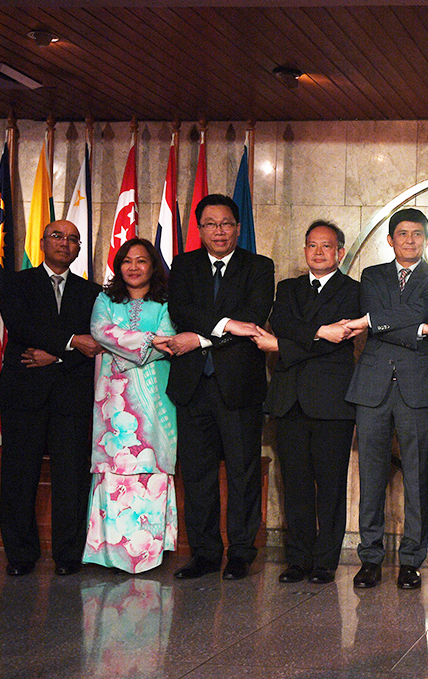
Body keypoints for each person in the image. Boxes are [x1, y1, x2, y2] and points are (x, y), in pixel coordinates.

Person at [164, 194, 275, 581]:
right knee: (197, 474)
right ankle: (205, 553)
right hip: (193, 386)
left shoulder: (259, 266)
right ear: (199, 229)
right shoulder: (183, 265)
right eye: (210, 224)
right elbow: (181, 311)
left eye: (226, 223)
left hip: (239, 387)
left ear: (238, 227)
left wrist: (201, 338)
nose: (219, 231)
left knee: (244, 472)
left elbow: (254, 317)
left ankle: (241, 552)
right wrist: (224, 328)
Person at [345, 208, 428, 590]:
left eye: (417, 234)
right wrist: (419, 328)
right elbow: (391, 315)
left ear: (426, 239)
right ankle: (370, 558)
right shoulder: (372, 275)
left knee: (417, 476)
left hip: (418, 387)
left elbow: (418, 311)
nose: (410, 240)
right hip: (372, 387)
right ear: (390, 240)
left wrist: (376, 323)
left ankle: (411, 560)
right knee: (370, 477)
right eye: (402, 234)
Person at [255, 221, 361, 585]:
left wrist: (283, 346)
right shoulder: (287, 288)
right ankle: (297, 559)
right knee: (295, 484)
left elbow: (339, 337)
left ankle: (325, 561)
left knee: (330, 486)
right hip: (289, 401)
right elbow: (282, 323)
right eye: (312, 246)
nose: (318, 252)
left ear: (340, 252)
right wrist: (320, 331)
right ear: (305, 250)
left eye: (327, 246)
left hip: (333, 403)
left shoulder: (354, 292)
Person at [0, 219, 103, 576]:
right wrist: (70, 342)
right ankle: (21, 554)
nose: (65, 243)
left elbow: (97, 341)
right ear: (42, 242)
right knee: (18, 475)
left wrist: (56, 354)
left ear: (78, 249)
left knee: (72, 478)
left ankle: (68, 554)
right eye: (57, 236)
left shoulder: (92, 293)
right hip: (23, 393)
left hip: (71, 395)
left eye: (73, 239)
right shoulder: (14, 282)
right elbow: (21, 327)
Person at [83, 238, 179, 573]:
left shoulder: (167, 302)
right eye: (127, 261)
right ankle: (109, 552)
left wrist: (127, 351)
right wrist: (146, 342)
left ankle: (149, 551)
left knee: (150, 464)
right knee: (114, 467)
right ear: (118, 266)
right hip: (113, 399)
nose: (134, 267)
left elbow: (170, 338)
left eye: (141, 261)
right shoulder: (105, 299)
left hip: (155, 396)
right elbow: (100, 331)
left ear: (153, 265)